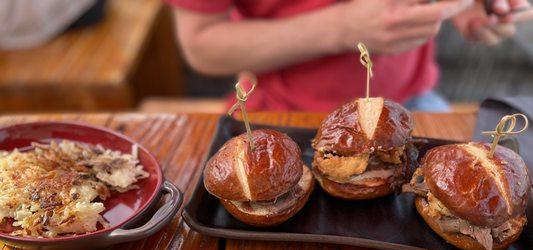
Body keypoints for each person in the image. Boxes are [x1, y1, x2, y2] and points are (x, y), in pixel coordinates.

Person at [167, 0, 533, 112]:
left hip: (412, 101)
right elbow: (201, 45)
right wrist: (343, 28)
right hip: (284, 112)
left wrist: (468, 8)